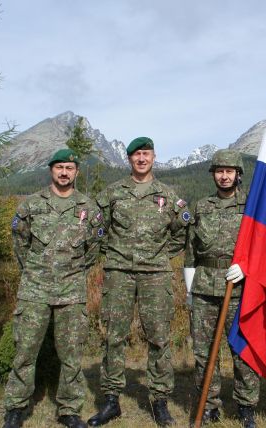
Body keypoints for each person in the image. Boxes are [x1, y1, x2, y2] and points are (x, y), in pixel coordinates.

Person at [88, 137, 191, 427]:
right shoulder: (113, 193)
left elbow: (181, 231)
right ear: (129, 159)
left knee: (159, 337)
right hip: (119, 272)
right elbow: (97, 227)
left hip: (155, 274)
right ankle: (111, 401)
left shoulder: (167, 195)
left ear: (154, 157)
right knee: (114, 336)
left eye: (146, 154)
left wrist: (161, 255)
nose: (141, 159)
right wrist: (112, 253)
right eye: (136, 155)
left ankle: (159, 401)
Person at [3, 148, 103, 428]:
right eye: (59, 167)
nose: (64, 173)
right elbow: (20, 244)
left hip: (71, 291)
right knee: (25, 351)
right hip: (34, 290)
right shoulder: (31, 205)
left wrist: (72, 272)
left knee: (71, 355)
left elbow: (94, 248)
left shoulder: (88, 208)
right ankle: (16, 408)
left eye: (69, 168)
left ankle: (69, 410)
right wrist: (36, 272)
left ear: (76, 172)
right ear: (51, 170)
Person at [184, 149, 260, 428]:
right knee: (204, 352)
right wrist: (189, 290)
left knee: (242, 351)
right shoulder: (201, 207)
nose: (224, 176)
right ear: (213, 175)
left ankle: (246, 406)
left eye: (229, 171)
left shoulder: (251, 206)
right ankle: (209, 404)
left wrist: (248, 268)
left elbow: (263, 245)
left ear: (238, 174)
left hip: (240, 288)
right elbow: (191, 250)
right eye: (219, 171)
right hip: (204, 288)